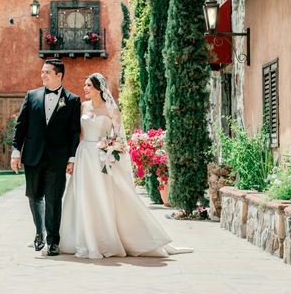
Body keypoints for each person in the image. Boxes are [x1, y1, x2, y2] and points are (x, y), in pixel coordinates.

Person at [59, 72, 193, 259]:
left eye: (89, 85)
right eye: (85, 85)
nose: (85, 88)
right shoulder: (83, 107)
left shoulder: (111, 110)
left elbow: (118, 138)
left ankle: (107, 238)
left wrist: (110, 147)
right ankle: (82, 238)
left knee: (102, 196)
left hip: (101, 157)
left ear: (98, 88)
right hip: (84, 156)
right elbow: (76, 133)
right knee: (83, 195)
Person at [11, 59, 81, 256]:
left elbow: (73, 133)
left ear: (59, 75)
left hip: (57, 159)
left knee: (53, 199)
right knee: (34, 196)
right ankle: (39, 233)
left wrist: (72, 158)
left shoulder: (73, 100)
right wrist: (16, 152)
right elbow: (20, 127)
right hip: (33, 156)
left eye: (47, 72)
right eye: (42, 72)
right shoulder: (31, 96)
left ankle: (52, 240)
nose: (43, 75)